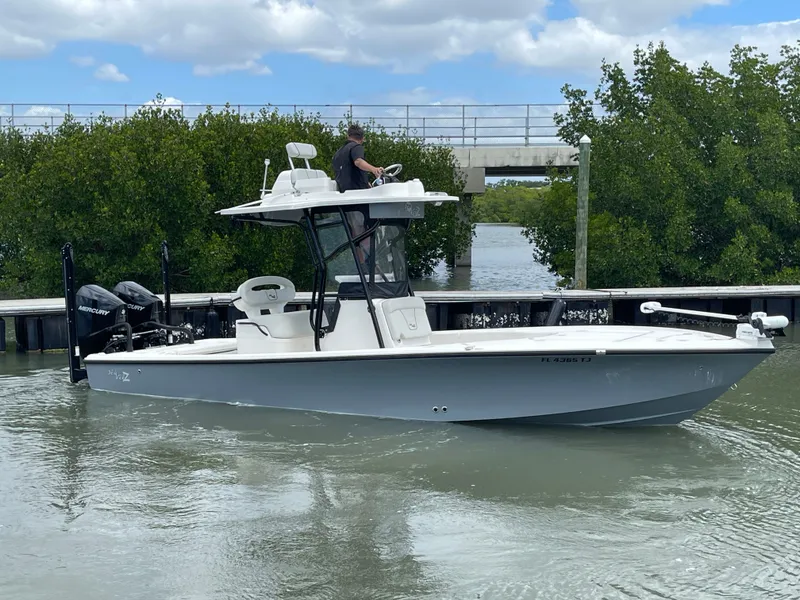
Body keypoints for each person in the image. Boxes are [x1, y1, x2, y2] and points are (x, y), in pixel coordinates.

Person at [332, 124, 383, 192]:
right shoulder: (356, 147)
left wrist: (366, 183)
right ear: (362, 139)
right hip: (357, 193)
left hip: (343, 193)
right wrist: (374, 169)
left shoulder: (337, 153)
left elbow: (347, 171)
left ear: (348, 136)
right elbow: (358, 161)